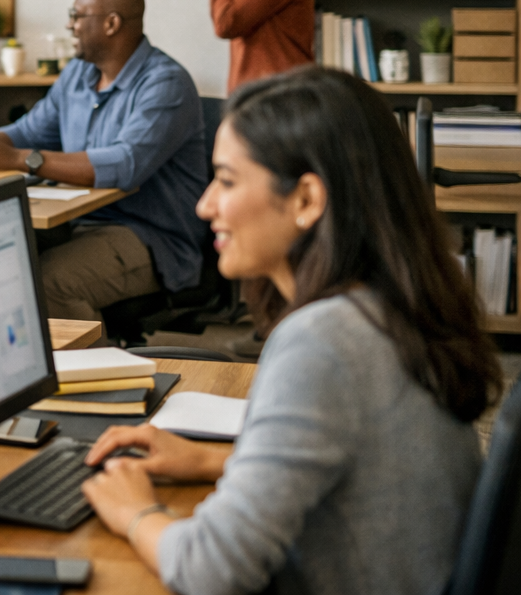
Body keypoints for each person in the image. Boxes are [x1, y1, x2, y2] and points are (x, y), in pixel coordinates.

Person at [82, 66, 500, 595]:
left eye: (227, 181)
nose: (204, 205)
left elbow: (211, 570)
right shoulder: (392, 304)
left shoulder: (324, 342)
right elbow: (375, 463)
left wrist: (136, 511)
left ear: (306, 200)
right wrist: (216, 459)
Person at [0, 0, 208, 320]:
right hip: (77, 221)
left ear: (111, 23)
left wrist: (22, 160)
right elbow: (28, 130)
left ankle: (99, 372)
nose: (69, 24)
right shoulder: (79, 73)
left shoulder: (165, 83)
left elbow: (126, 164)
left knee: (48, 285)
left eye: (77, 15)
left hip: (151, 238)